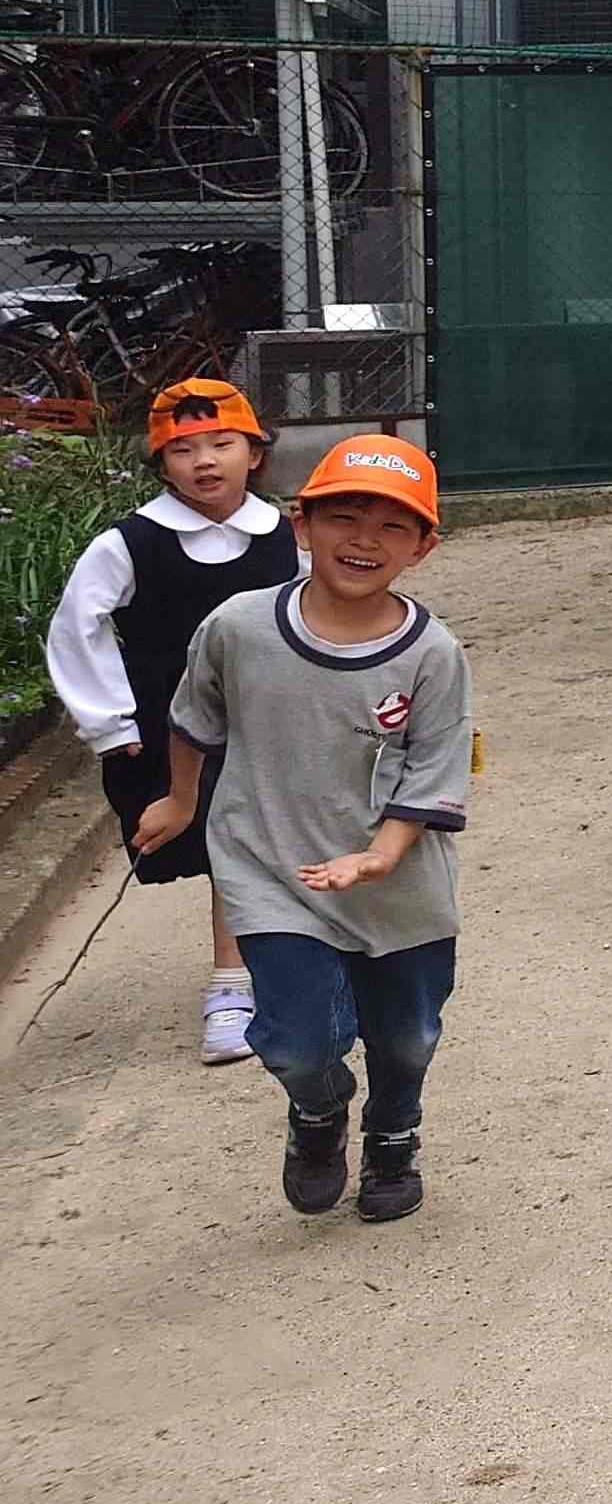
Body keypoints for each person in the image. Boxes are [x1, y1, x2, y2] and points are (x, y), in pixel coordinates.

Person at [137, 434, 471, 1223]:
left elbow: (434, 770)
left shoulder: (433, 654)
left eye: (393, 527)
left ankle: (394, 1134)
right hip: (272, 869)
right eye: (344, 517)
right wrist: (181, 802)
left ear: (423, 546)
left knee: (409, 1038)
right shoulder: (239, 627)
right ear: (301, 523)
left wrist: (380, 855)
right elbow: (195, 718)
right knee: (293, 1041)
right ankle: (318, 1115)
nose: (364, 540)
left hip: (400, 885)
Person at [44, 378, 299, 1065]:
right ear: (161, 464)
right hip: (173, 726)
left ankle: (283, 972)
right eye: (183, 449)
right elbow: (77, 628)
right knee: (227, 848)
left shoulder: (282, 537)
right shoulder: (131, 544)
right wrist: (110, 724)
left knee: (271, 845)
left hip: (271, 719)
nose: (205, 461)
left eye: (223, 443)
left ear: (256, 452)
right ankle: (230, 988)